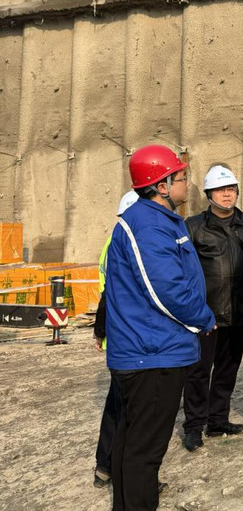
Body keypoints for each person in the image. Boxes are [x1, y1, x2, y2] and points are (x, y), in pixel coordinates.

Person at [105, 145, 217, 511]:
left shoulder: (157, 220)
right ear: (162, 186)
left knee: (131, 441)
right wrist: (203, 318)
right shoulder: (149, 225)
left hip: (150, 350)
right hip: (153, 353)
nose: (187, 183)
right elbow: (165, 289)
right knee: (145, 452)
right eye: (182, 177)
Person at [182, 165, 243, 452]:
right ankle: (193, 426)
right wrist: (191, 310)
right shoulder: (192, 227)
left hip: (237, 311)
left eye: (231, 189)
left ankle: (217, 421)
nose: (227, 194)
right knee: (198, 371)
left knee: (228, 369)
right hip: (205, 315)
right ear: (208, 194)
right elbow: (183, 271)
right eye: (220, 190)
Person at [91, 190, 138, 489]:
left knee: (117, 404)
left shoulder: (112, 241)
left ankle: (105, 466)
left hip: (118, 333)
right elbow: (111, 294)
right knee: (129, 410)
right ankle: (120, 472)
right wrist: (100, 330)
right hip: (126, 335)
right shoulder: (125, 243)